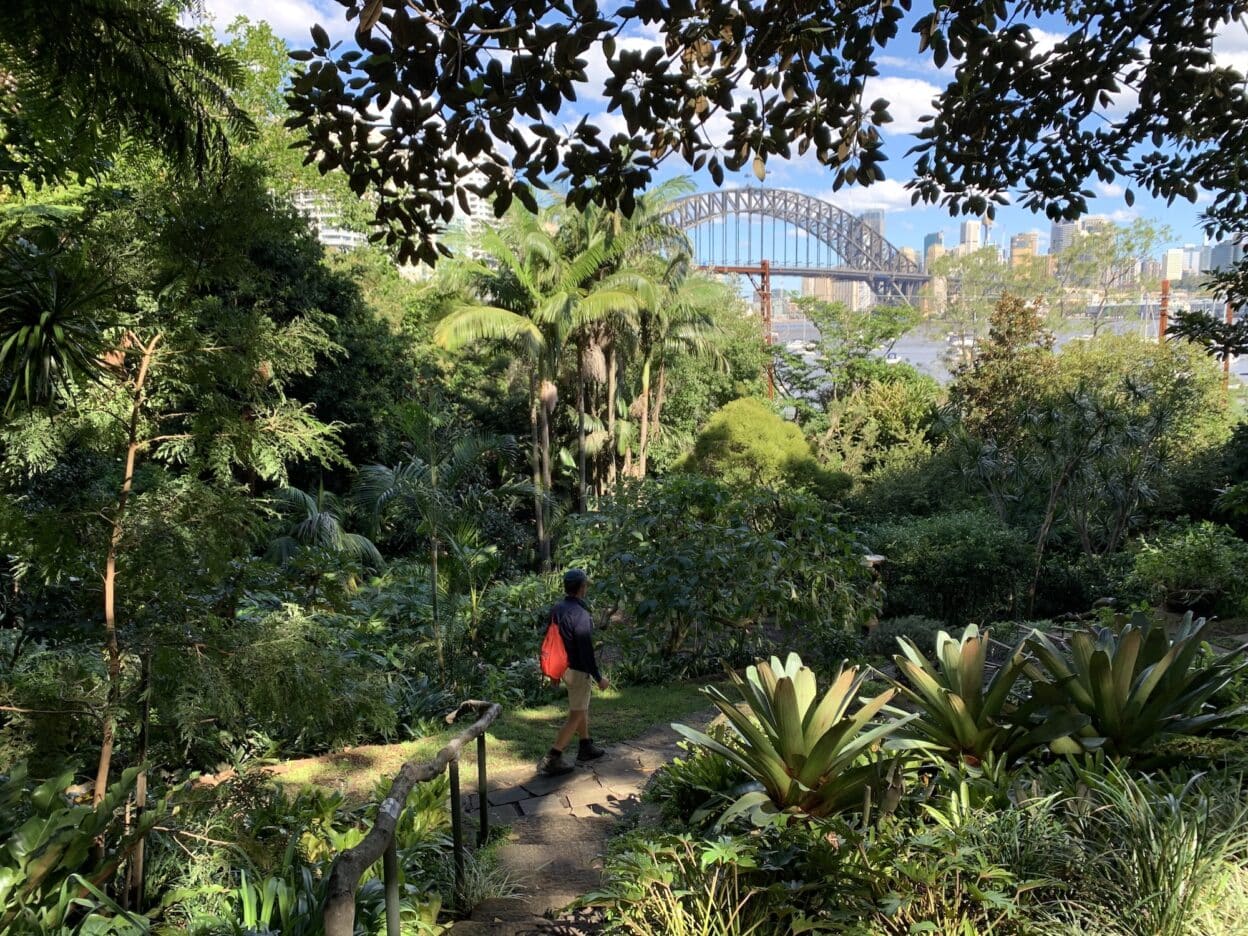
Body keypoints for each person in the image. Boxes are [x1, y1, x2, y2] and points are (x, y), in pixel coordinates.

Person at [537, 568, 609, 776]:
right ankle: (554, 756)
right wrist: (598, 678)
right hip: (578, 670)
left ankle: (586, 745)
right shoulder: (581, 614)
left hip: (563, 667)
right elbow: (586, 651)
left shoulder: (557, 609)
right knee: (576, 714)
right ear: (581, 588)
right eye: (585, 585)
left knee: (581, 707)